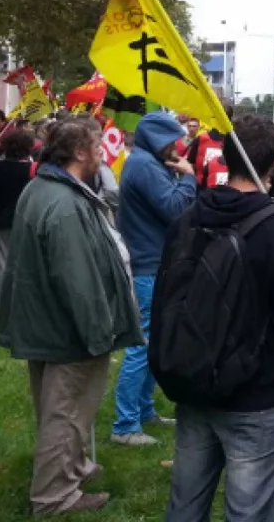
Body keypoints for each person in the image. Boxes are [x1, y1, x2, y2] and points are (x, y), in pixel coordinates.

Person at [162, 114, 274, 521]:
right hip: (256, 395)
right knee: (248, 512)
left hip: (194, 379)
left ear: (225, 158)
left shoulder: (188, 218)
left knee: (185, 503)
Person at [0, 119, 143, 514]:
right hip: (68, 330)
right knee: (67, 412)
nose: (102, 154)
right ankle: (55, 496)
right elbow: (77, 278)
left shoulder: (44, 188)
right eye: (96, 147)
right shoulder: (63, 203)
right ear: (79, 152)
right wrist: (99, 333)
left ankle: (71, 467)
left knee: (59, 407)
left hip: (46, 322)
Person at [110, 111, 197, 446]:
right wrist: (189, 178)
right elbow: (175, 208)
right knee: (143, 345)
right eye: (172, 141)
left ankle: (143, 410)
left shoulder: (147, 162)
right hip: (148, 265)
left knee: (154, 342)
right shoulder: (145, 165)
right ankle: (124, 425)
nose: (176, 147)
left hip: (154, 260)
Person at [0, 129, 36, 308]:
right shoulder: (31, 169)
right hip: (25, 217)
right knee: (25, 260)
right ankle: (22, 297)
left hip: (3, 217)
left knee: (3, 259)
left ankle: (0, 299)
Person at [186, 105, 234, 189]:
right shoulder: (200, 139)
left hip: (205, 190)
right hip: (210, 189)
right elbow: (191, 163)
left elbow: (190, 164)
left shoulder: (236, 143)